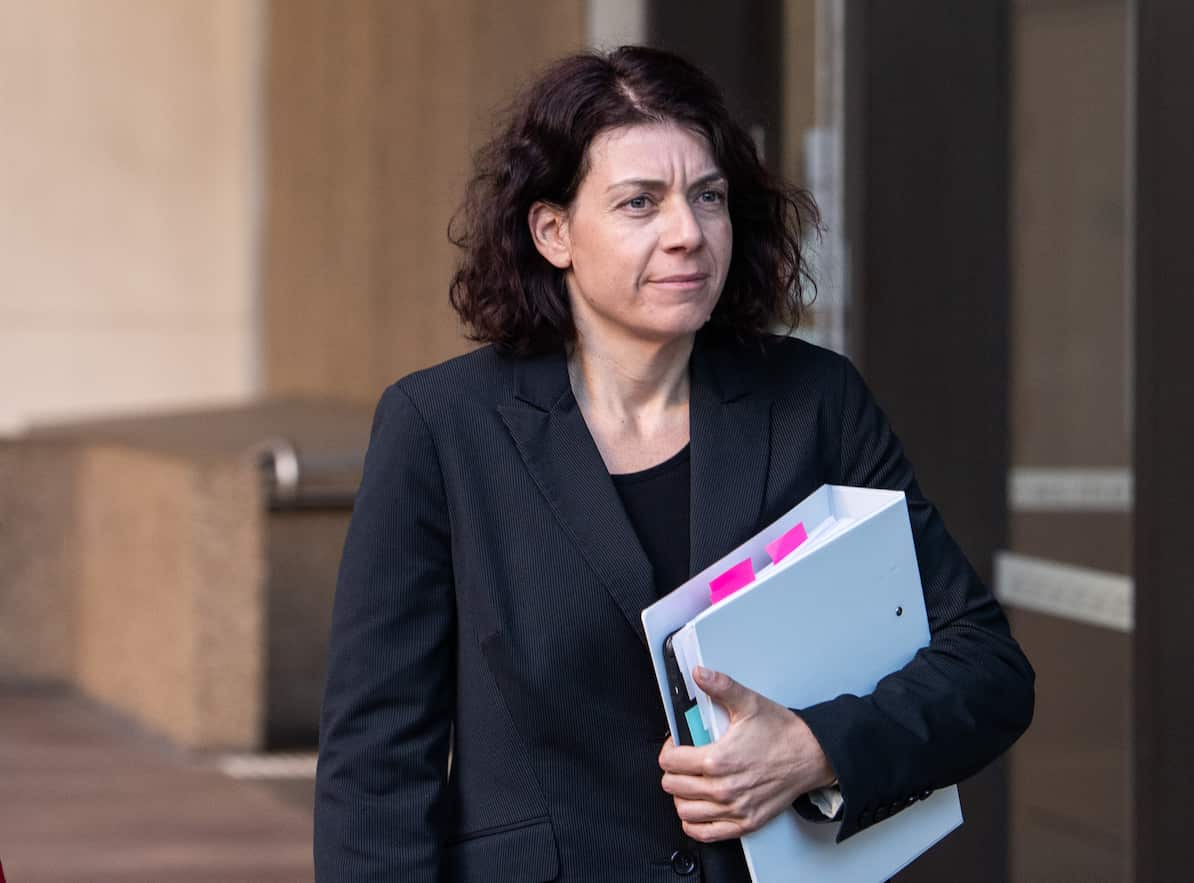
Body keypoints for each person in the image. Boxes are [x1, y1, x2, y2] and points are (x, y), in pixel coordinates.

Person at [314, 45, 1034, 883]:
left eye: (708, 196)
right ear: (554, 232)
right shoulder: (442, 428)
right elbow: (375, 765)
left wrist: (815, 748)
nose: (688, 232)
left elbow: (986, 667)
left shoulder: (814, 402)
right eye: (638, 203)